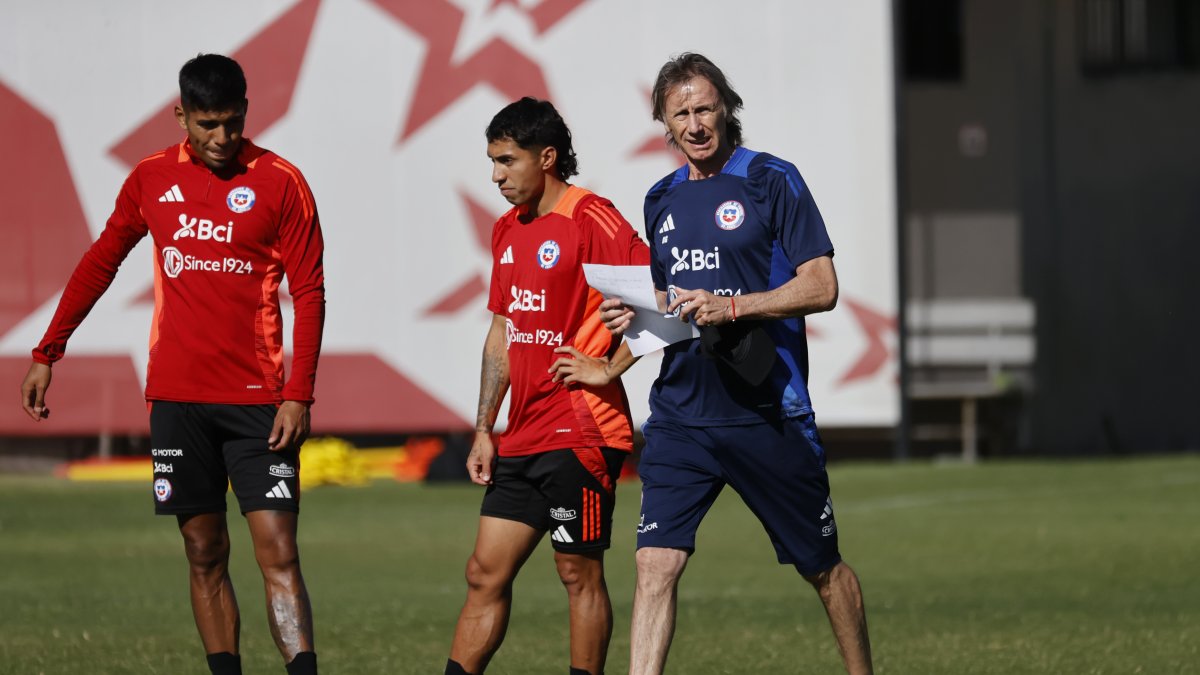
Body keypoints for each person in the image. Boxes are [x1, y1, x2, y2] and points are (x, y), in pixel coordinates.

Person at [19, 54, 325, 675]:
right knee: (203, 550)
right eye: (208, 124)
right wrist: (48, 351)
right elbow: (101, 260)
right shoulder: (151, 178)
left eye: (233, 122)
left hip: (259, 402)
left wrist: (299, 393)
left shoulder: (281, 181)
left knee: (279, 550)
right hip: (178, 400)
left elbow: (311, 291)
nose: (221, 137)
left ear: (246, 112)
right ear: (181, 115)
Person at [599, 53, 874, 674]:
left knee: (822, 569)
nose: (695, 125)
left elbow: (822, 286)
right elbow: (674, 308)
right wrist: (632, 320)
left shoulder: (773, 180)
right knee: (654, 564)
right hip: (681, 415)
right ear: (665, 124)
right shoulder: (660, 197)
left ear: (726, 108)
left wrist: (734, 306)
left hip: (766, 410)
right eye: (681, 114)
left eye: (704, 109)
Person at [445, 97, 648, 675]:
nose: (496, 175)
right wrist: (484, 428)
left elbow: (661, 294)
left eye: (507, 160)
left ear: (547, 157)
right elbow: (502, 331)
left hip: (582, 429)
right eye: (492, 161)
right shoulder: (506, 230)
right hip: (523, 433)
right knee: (484, 573)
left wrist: (609, 368)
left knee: (577, 573)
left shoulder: (592, 217)